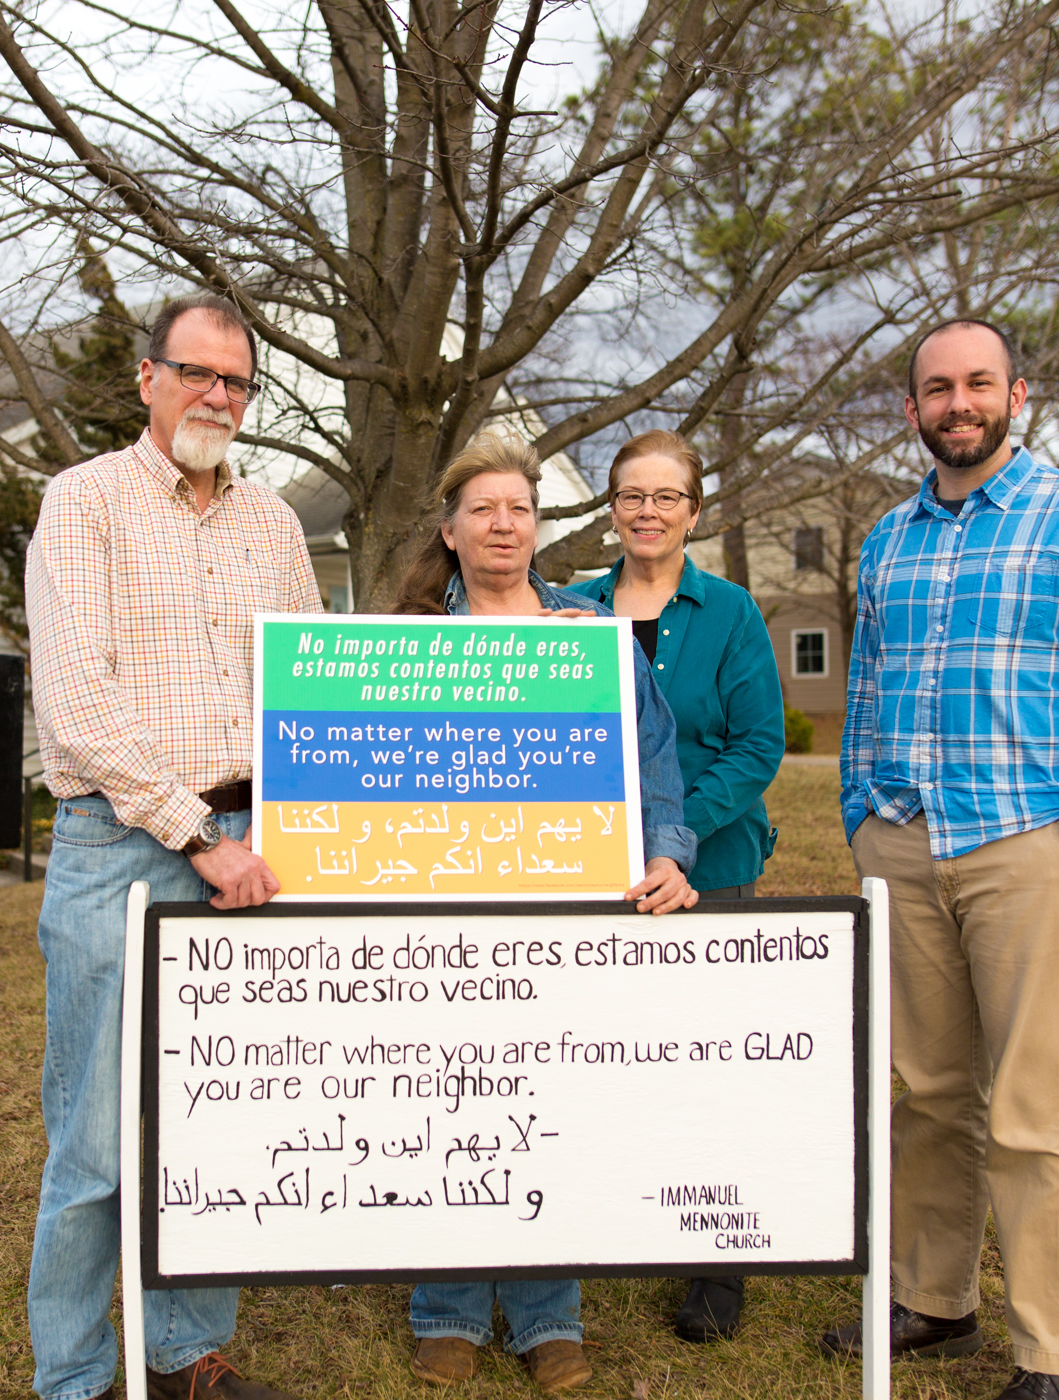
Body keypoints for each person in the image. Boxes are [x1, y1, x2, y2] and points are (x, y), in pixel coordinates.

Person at [823, 320, 1059, 1400]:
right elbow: (867, 690)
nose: (956, 403)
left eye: (977, 383)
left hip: (1026, 844)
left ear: (1019, 393)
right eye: (935, 388)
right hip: (906, 843)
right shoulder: (886, 539)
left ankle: (1058, 1355)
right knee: (925, 1088)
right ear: (911, 408)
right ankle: (935, 1297)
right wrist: (861, 814)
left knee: (1038, 1103)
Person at [22, 293, 321, 1400]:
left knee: (215, 1119)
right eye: (197, 373)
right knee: (97, 1135)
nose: (217, 397)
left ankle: (187, 1352)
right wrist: (199, 836)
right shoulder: (84, 502)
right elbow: (77, 702)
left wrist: (283, 828)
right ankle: (75, 1373)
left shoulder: (274, 522)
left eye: (237, 382)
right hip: (124, 844)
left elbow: (306, 680)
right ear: (147, 377)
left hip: (255, 842)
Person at [393, 429, 700, 1393]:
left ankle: (544, 1312)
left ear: (539, 526)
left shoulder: (588, 636)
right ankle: (444, 1309)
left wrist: (667, 854)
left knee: (546, 1098)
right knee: (448, 1098)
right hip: (444, 914)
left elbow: (653, 760)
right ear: (449, 531)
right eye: (482, 509)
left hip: (567, 908)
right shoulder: (405, 642)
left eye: (519, 509)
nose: (502, 524)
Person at [568, 428, 783, 1343]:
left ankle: (715, 1265)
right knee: (594, 1060)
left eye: (666, 497)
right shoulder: (567, 610)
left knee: (708, 1070)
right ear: (610, 507)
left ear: (693, 511)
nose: (647, 512)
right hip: (589, 874)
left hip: (710, 873)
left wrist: (673, 839)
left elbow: (757, 744)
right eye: (631, 495)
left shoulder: (730, 613)